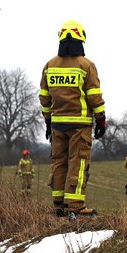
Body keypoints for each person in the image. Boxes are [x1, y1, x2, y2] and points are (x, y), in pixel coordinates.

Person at [39, 20, 106, 218]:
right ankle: (75, 205)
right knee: (78, 162)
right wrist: (101, 119)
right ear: (81, 39)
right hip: (80, 124)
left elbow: (44, 97)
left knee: (59, 162)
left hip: (58, 124)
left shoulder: (49, 65)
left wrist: (48, 121)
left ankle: (59, 204)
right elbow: (94, 95)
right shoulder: (86, 65)